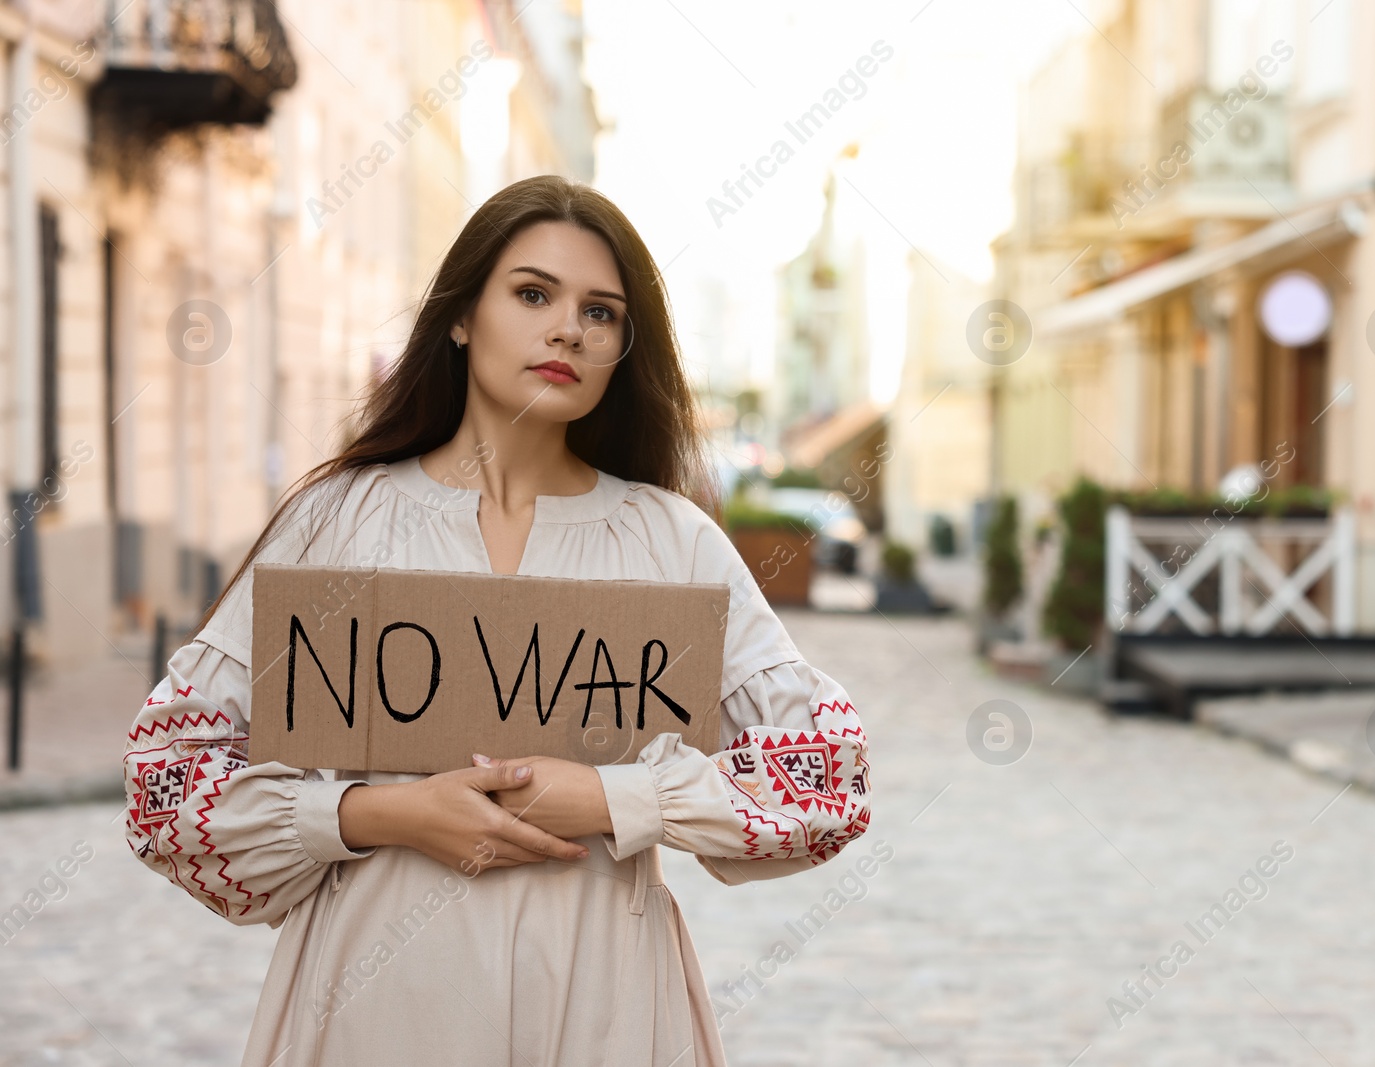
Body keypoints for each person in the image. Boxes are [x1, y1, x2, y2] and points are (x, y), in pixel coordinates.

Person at [122, 175, 872, 1066]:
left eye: (602, 313)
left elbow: (830, 778)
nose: (567, 328)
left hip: (604, 1004)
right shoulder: (336, 523)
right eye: (532, 293)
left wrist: (608, 796)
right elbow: (165, 780)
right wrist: (383, 812)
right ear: (460, 316)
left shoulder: (674, 541)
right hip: (375, 999)